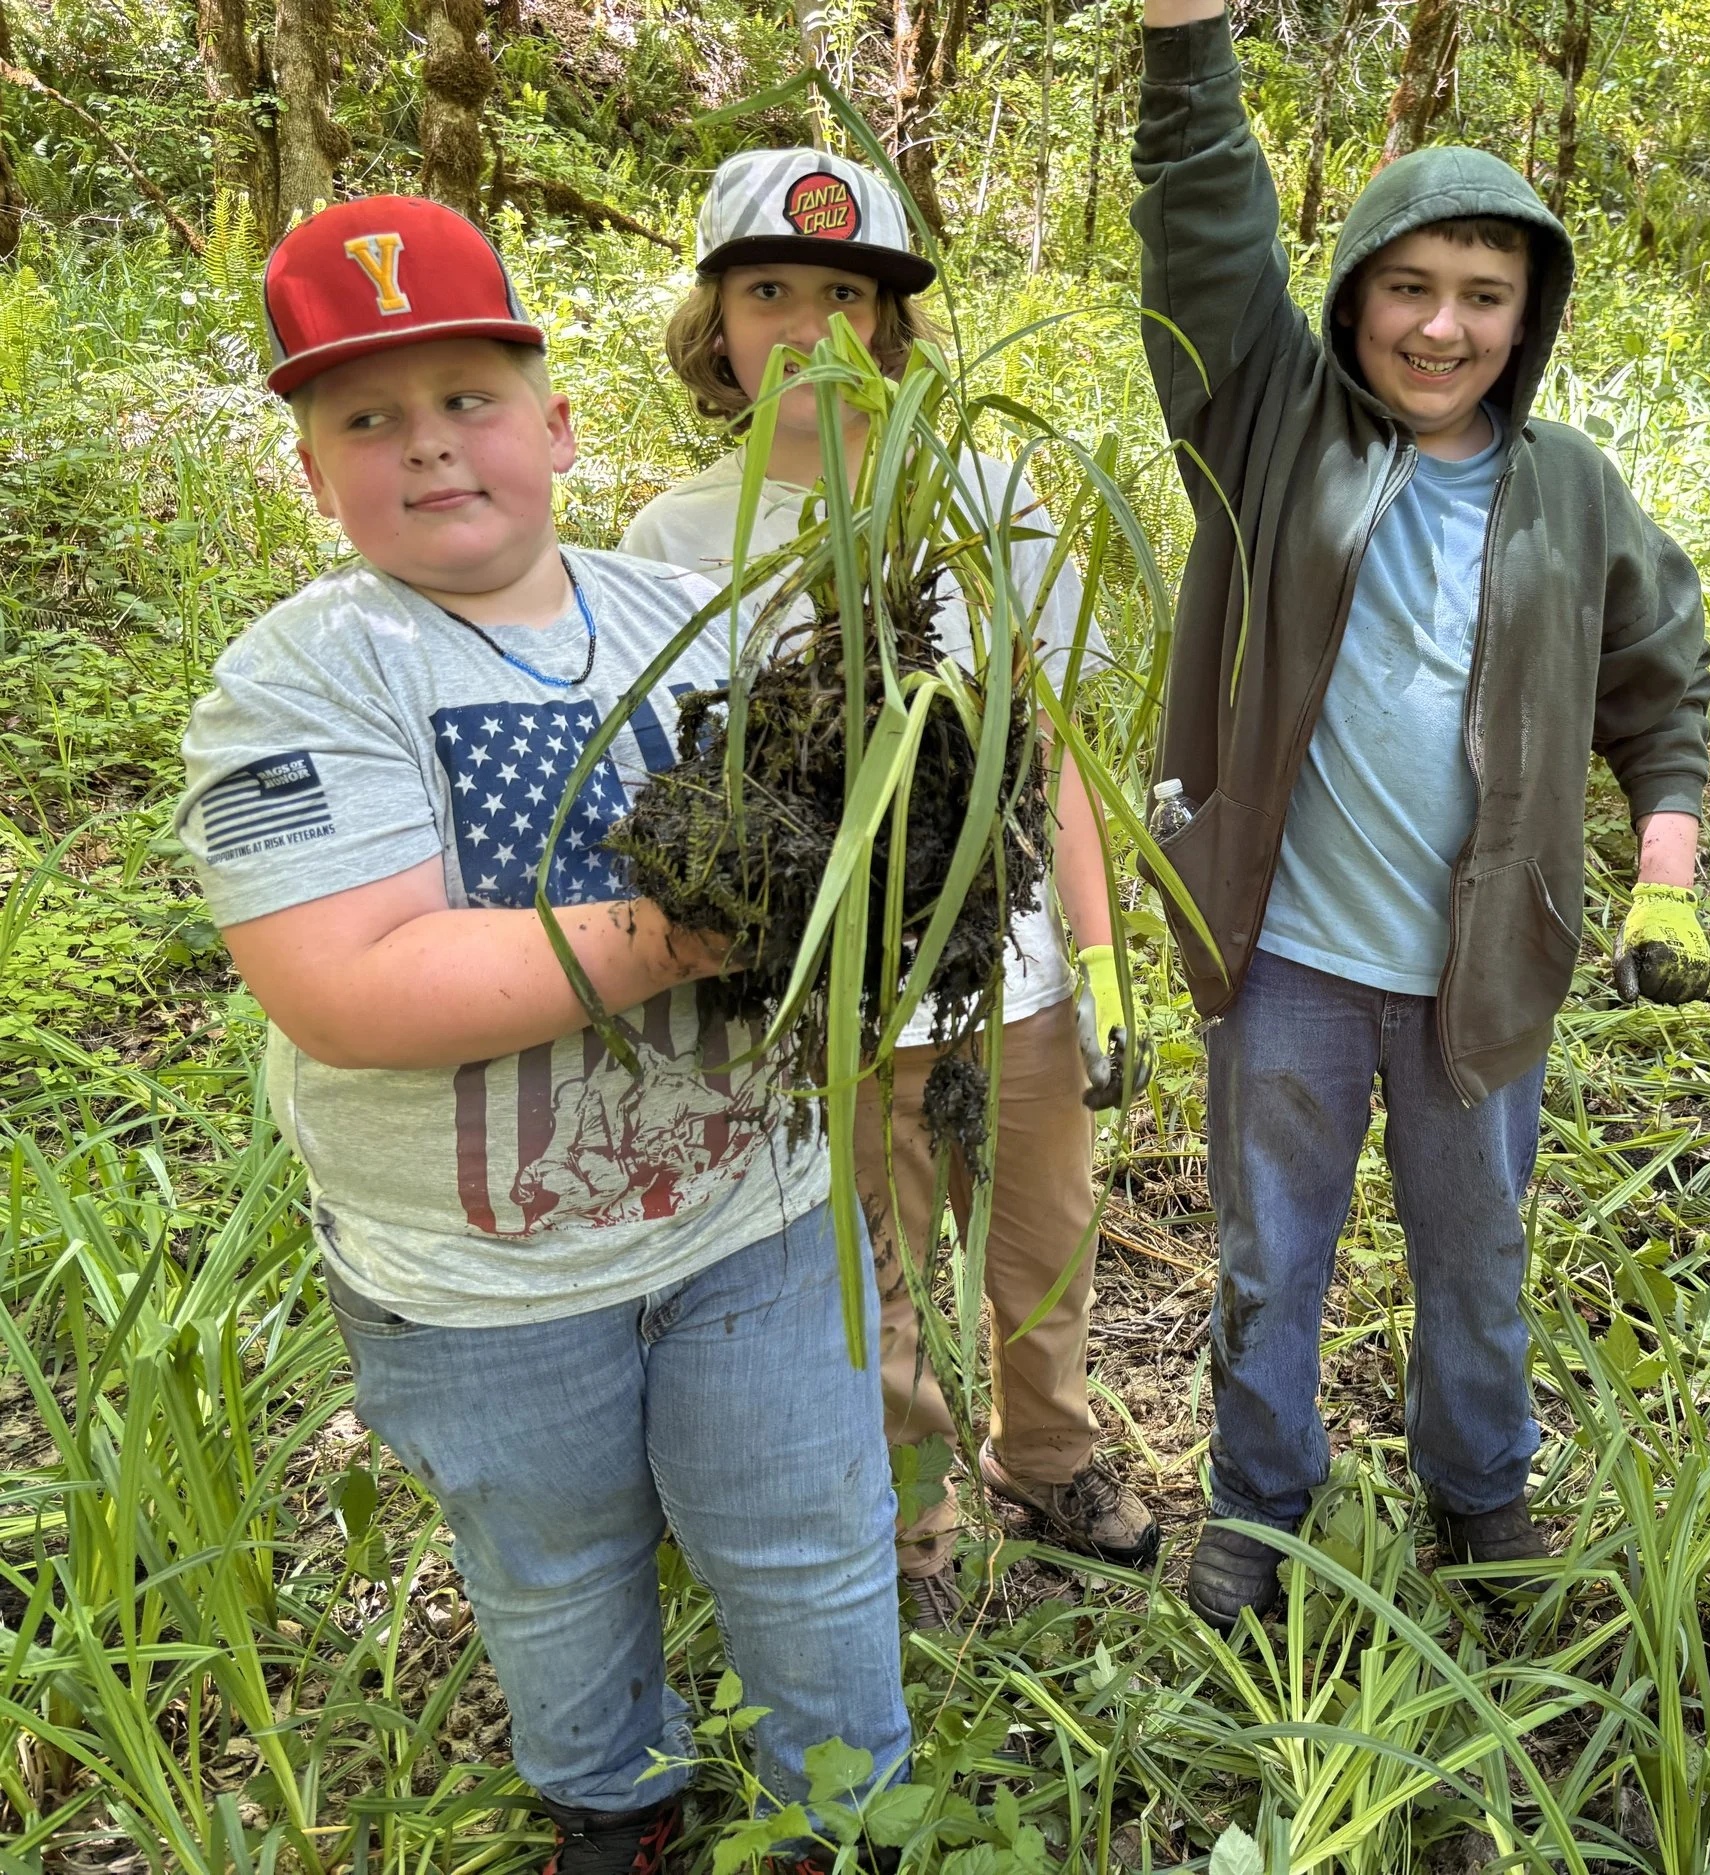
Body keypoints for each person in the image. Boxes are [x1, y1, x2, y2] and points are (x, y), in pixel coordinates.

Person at [176, 197, 909, 1872]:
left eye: (469, 401)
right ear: (311, 469)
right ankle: (613, 1801)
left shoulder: (703, 615)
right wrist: (689, 934)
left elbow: (855, 837)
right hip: (480, 1281)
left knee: (810, 1537)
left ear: (558, 424)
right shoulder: (303, 680)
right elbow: (350, 983)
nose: (429, 450)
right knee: (556, 1566)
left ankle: (849, 1815)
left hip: (755, 1222)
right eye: (368, 419)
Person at [1130, 0, 1710, 1625]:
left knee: (1479, 1259)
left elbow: (1661, 682)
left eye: (1482, 296)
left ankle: (1482, 1492)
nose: (1441, 329)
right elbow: (1202, 226)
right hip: (1290, 956)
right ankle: (1258, 1499)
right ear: (1354, 296)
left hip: (1481, 978)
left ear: (1528, 315)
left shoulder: (1573, 489)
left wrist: (1665, 859)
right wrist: (1188, 50)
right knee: (1270, 1259)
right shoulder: (1264, 425)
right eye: (1410, 288)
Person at [621, 149, 1160, 1635]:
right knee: (871, 1262)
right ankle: (911, 1517)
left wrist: (1105, 962)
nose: (809, 325)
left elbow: (1048, 749)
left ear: (893, 327)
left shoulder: (988, 497)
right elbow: (699, 807)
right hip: (831, 994)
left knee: (1045, 1234)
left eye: (846, 294)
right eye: (769, 290)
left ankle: (1050, 1453)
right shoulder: (674, 540)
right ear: (715, 325)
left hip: (1017, 970)